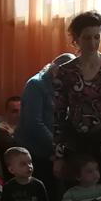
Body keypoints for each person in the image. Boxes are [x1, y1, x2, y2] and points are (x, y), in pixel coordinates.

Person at [52, 11, 101, 187]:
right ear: (76, 39)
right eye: (87, 38)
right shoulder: (65, 71)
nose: (92, 43)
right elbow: (58, 116)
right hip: (76, 145)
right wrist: (58, 156)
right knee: (76, 196)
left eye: (96, 37)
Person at [16, 53, 75, 186]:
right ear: (56, 70)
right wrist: (57, 149)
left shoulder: (63, 86)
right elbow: (34, 124)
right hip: (36, 152)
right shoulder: (36, 85)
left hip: (56, 150)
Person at [0, 96, 22, 167]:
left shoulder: (26, 127)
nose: (19, 114)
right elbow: (16, 151)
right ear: (7, 113)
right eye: (15, 111)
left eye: (22, 110)